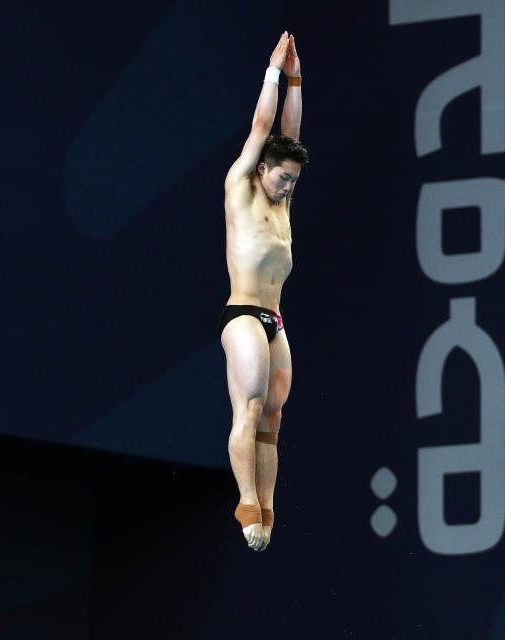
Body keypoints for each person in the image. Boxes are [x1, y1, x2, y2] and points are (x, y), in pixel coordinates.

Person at [219, 31, 307, 551]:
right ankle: (246, 500)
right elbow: (265, 127)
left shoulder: (282, 205)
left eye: (295, 180)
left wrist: (299, 78)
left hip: (275, 319)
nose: (288, 186)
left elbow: (291, 135)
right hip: (243, 315)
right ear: (261, 170)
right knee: (249, 409)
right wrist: (274, 71)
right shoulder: (241, 186)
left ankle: (268, 506)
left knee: (273, 419)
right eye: (282, 178)